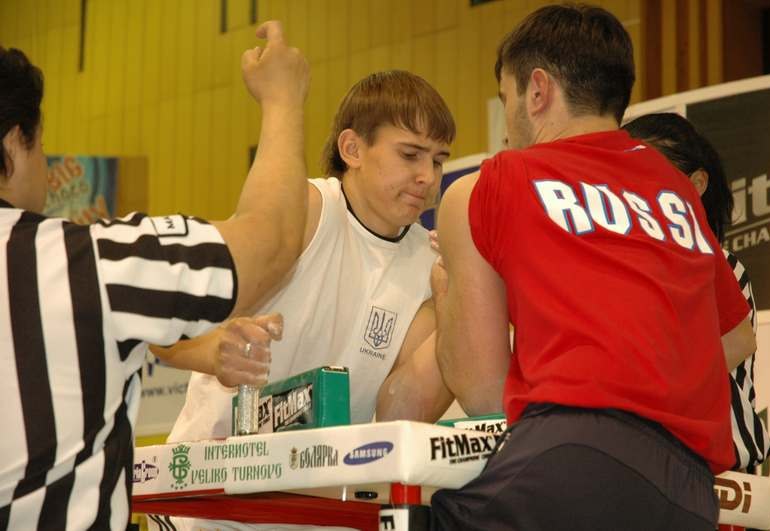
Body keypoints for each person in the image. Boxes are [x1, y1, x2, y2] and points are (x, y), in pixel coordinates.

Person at [428, 4, 757, 530]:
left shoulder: (488, 185)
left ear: (537, 91)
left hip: (568, 458)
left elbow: (482, 392)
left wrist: (444, 292)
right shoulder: (673, 188)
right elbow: (739, 336)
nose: (508, 125)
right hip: (688, 489)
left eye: (505, 99)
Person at [0, 21, 310, 530]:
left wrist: (203, 350)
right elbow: (272, 239)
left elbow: (116, 337)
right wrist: (283, 99)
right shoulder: (84, 262)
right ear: (16, 142)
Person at [152, 70, 456, 530]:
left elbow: (400, 410)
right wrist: (216, 353)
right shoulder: (301, 210)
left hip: (313, 515)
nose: (426, 177)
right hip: (207, 506)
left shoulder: (427, 263)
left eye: (438, 161)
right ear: (352, 149)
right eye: (410, 154)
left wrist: (462, 295)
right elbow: (158, 324)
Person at [623, 112, 770, 472]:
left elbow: (731, 347)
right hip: (649, 470)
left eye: (649, 174)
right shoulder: (625, 265)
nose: (632, 190)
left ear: (697, 183)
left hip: (719, 475)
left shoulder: (719, 263)